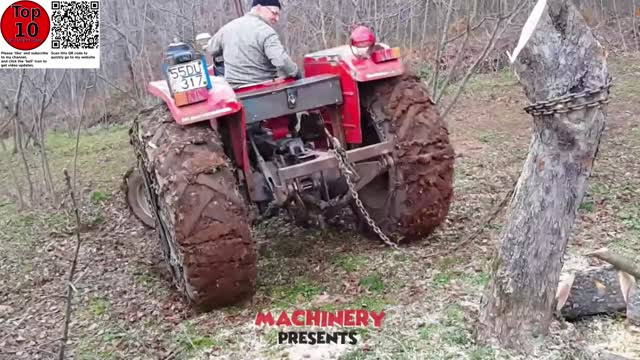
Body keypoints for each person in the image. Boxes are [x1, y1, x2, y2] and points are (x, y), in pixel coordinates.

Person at [206, 0, 302, 88]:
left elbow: (211, 49)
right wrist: (296, 73)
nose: (277, 18)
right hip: (263, 90)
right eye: (274, 13)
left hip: (235, 93)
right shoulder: (265, 31)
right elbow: (281, 60)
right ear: (259, 7)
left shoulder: (227, 29)